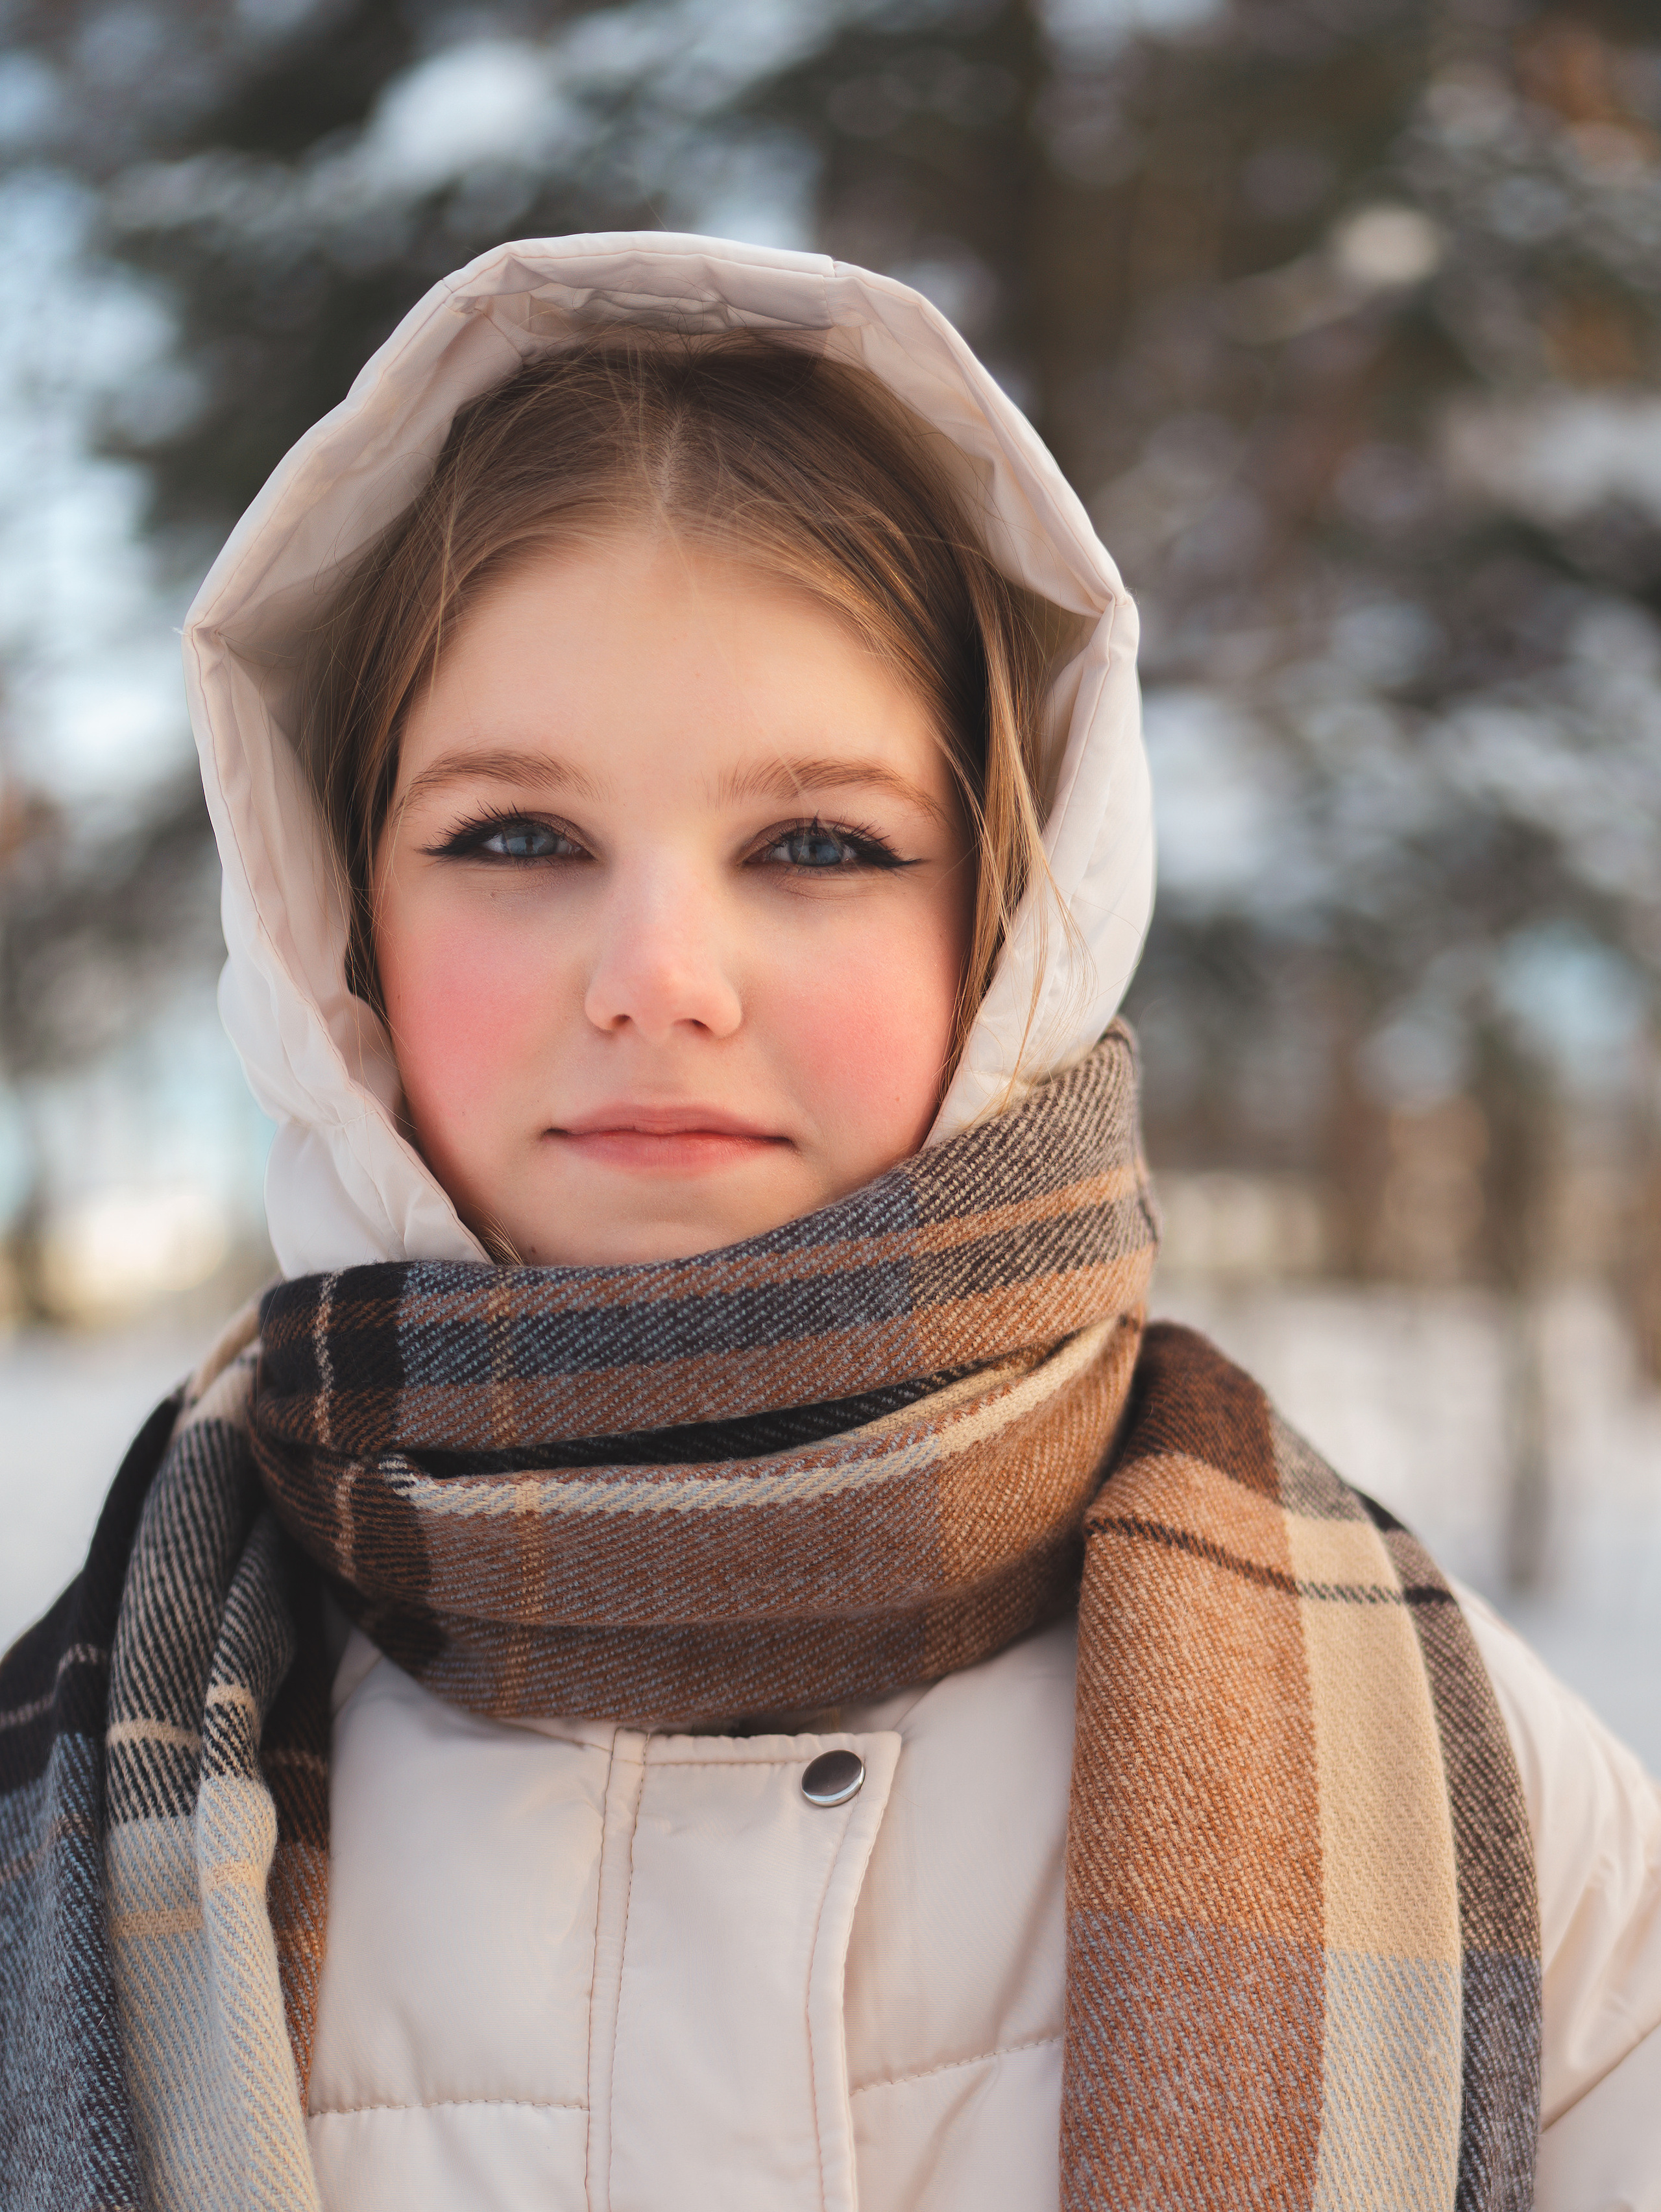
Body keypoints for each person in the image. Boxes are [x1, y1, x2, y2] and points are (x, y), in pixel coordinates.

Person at [1, 235, 1657, 2212]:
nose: (659, 975)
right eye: (516, 837)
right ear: (333, 917)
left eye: (817, 844)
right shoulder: (77, 1800)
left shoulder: (1464, 1795)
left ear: (1006, 918)